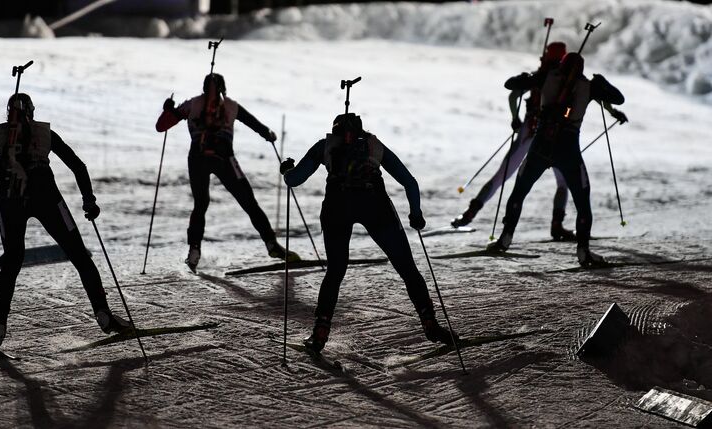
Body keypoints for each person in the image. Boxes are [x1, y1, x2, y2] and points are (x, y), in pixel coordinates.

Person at [0, 93, 131, 350]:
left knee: (12, 261)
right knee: (80, 256)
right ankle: (103, 313)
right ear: (32, 112)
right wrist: (88, 200)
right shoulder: (45, 133)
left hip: (12, 197)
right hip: (46, 194)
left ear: (7, 113)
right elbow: (78, 166)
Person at [281, 112, 455, 354]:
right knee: (406, 267)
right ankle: (429, 323)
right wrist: (416, 214)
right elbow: (409, 182)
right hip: (375, 206)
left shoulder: (326, 147)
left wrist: (287, 170)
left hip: (336, 208)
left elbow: (295, 180)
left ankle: (320, 332)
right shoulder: (374, 145)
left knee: (335, 271)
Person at [452, 42, 628, 241]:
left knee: (502, 177)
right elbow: (602, 98)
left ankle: (471, 213)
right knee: (563, 183)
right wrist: (614, 112)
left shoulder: (544, 76)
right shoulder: (577, 82)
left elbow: (513, 94)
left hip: (531, 133)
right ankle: (557, 225)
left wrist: (515, 119)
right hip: (561, 140)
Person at [486, 52, 627, 266]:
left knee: (519, 191)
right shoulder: (588, 86)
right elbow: (619, 98)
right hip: (568, 149)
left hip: (540, 146)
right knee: (582, 201)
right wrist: (601, 82)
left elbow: (510, 84)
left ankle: (505, 238)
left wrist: (536, 74)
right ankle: (583, 251)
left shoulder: (546, 77)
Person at [156, 73, 298, 273]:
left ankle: (194, 250)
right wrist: (268, 134)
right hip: (225, 160)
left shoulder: (192, 104)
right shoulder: (231, 106)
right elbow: (254, 123)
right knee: (249, 202)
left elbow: (161, 127)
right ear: (224, 88)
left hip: (197, 159)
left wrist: (168, 110)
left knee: (201, 203)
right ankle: (271, 244)